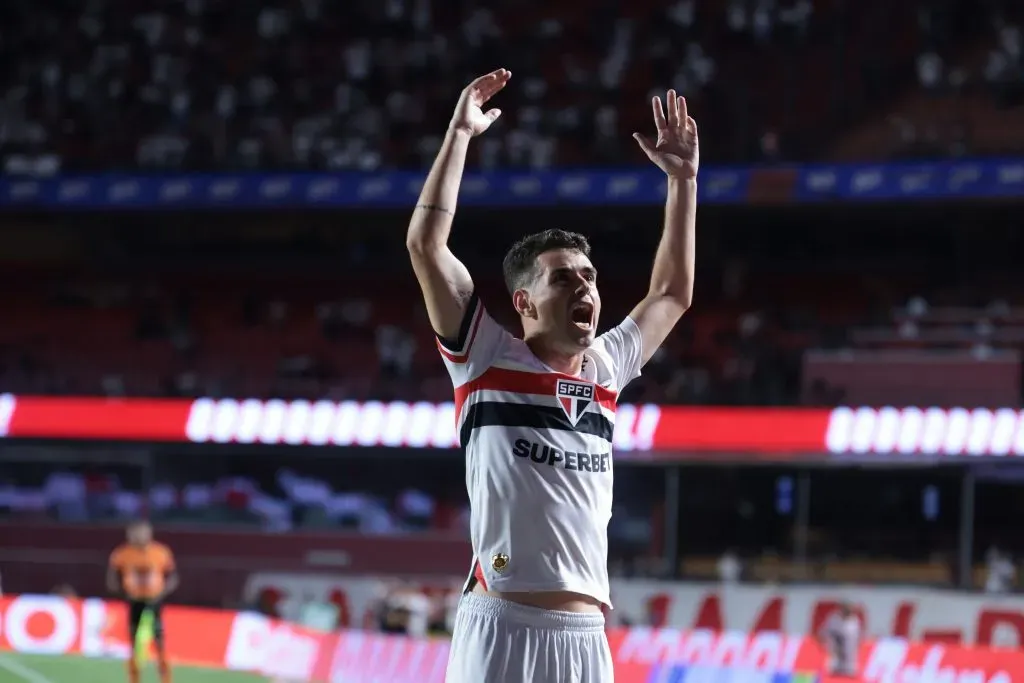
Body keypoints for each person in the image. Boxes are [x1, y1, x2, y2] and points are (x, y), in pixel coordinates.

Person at [407, 68, 698, 683]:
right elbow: (427, 247)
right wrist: (460, 134)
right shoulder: (484, 357)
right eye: (563, 277)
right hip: (502, 626)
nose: (585, 285)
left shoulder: (608, 368)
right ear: (524, 302)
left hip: (587, 638)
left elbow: (671, 293)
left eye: (589, 276)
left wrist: (683, 183)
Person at [107, 520, 179, 683]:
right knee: (133, 642)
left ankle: (166, 678)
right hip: (134, 602)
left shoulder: (160, 552)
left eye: (141, 533)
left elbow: (173, 577)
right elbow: (111, 578)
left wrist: (162, 593)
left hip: (154, 601)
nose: (137, 537)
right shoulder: (122, 553)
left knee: (159, 641)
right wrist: (124, 594)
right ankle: (134, 678)